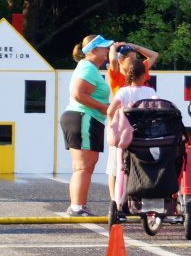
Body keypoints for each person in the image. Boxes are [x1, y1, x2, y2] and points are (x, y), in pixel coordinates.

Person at [59, 34, 113, 216]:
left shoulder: (89, 68)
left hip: (85, 117)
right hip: (84, 116)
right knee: (83, 165)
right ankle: (76, 207)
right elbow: (78, 94)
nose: (107, 51)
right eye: (104, 48)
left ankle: (79, 205)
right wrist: (105, 108)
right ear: (92, 50)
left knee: (85, 165)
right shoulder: (88, 68)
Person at [105, 55, 158, 209]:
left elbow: (110, 111)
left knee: (118, 169)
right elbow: (157, 106)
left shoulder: (122, 92)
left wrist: (112, 124)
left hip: (123, 138)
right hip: (143, 136)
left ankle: (117, 202)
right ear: (143, 75)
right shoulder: (149, 91)